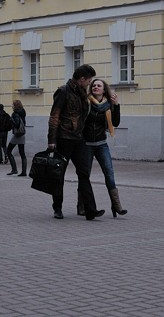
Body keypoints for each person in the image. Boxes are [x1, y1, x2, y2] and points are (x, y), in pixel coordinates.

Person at [48, 64, 103, 220]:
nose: (90, 83)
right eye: (89, 80)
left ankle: (90, 210)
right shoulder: (63, 91)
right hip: (64, 138)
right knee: (59, 175)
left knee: (84, 174)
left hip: (79, 139)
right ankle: (57, 208)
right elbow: (54, 116)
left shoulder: (82, 94)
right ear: (82, 79)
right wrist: (51, 140)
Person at [84, 78, 127, 218]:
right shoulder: (86, 102)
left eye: (99, 85)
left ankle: (116, 205)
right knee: (84, 175)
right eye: (94, 85)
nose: (96, 87)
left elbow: (115, 122)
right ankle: (82, 206)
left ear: (104, 89)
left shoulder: (109, 105)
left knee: (109, 173)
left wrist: (117, 105)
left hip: (102, 144)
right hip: (86, 145)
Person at [6, 100, 27, 176]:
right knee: (22, 153)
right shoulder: (23, 112)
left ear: (15, 106)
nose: (12, 106)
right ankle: (24, 172)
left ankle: (14, 169)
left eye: (13, 105)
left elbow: (17, 124)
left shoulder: (15, 114)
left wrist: (11, 120)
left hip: (17, 135)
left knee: (8, 151)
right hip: (22, 134)